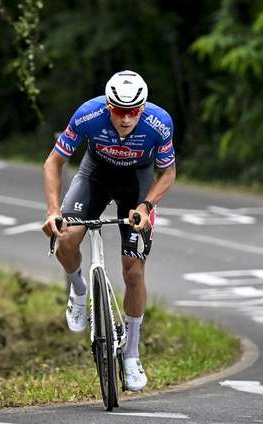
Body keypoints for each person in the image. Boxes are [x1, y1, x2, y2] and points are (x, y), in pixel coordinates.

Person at [42, 70, 177, 392]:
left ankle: (131, 353)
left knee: (133, 272)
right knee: (66, 239)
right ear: (108, 106)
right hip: (95, 175)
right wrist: (53, 211)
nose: (127, 118)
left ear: (143, 108)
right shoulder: (88, 114)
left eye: (134, 111)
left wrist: (146, 207)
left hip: (137, 183)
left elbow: (168, 172)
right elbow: (53, 163)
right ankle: (78, 291)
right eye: (119, 111)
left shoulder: (159, 123)